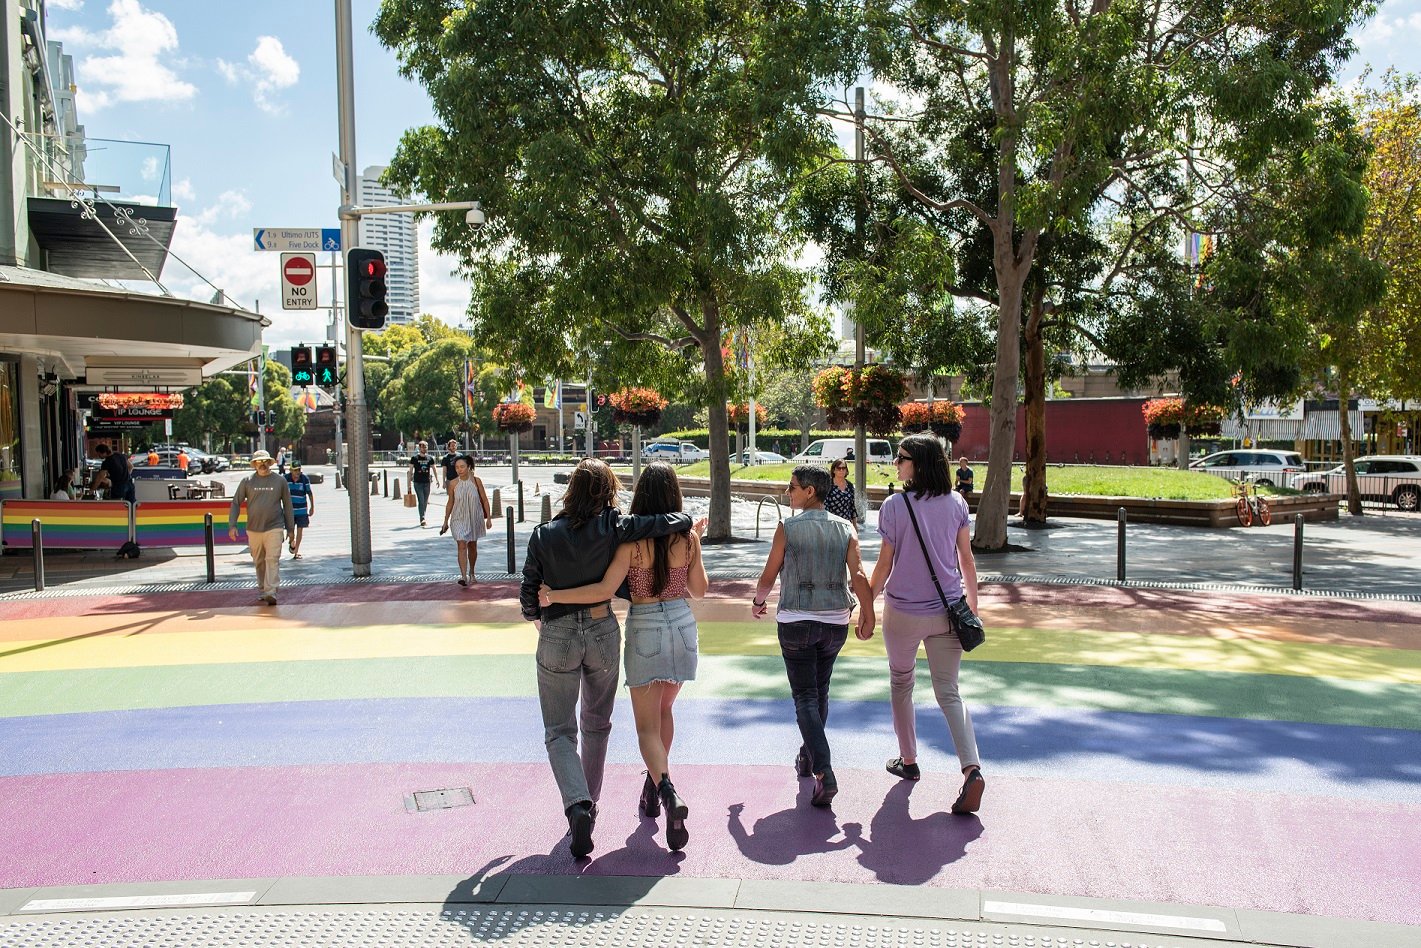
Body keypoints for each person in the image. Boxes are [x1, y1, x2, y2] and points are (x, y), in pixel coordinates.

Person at [520, 458, 692, 860]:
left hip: (558, 630)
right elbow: (658, 523)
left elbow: (529, 590)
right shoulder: (615, 527)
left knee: (559, 731)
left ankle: (577, 804)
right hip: (602, 631)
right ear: (608, 492)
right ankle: (590, 809)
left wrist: (537, 617)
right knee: (597, 725)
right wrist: (684, 518)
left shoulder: (543, 535)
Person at [869, 434, 984, 815]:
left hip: (903, 613)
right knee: (949, 692)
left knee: (902, 682)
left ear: (917, 463)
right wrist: (973, 606)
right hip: (949, 612)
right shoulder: (957, 504)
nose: (896, 464)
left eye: (901, 458)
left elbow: (884, 566)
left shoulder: (894, 506)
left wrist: (866, 605)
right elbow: (966, 561)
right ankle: (971, 770)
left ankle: (909, 760)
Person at [751, 464, 874, 808]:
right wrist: (868, 611)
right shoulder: (845, 527)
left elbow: (769, 574)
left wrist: (758, 602)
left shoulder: (787, 527)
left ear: (809, 491)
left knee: (805, 695)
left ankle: (823, 769)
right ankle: (808, 756)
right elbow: (859, 574)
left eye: (792, 487)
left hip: (796, 619)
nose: (787, 493)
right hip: (835, 619)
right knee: (820, 690)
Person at [227, 450, 295, 606]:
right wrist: (232, 525)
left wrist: (290, 530)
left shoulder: (280, 481)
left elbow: (288, 505)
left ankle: (271, 592)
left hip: (275, 527)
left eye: (265, 461)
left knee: (272, 559)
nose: (262, 464)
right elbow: (236, 502)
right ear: (254, 464)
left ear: (270, 463)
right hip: (254, 529)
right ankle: (263, 590)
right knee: (259, 561)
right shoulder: (247, 481)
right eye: (258, 462)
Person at [440, 455, 492, 585]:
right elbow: (450, 502)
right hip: (458, 518)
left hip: (474, 517)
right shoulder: (452, 484)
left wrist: (489, 518)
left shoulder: (476, 481)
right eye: (457, 467)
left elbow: (485, 500)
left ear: (469, 467)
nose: (459, 469)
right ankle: (463, 576)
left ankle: (472, 571)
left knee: (472, 546)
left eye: (462, 466)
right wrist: (445, 521)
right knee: (461, 543)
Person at [284, 459, 314, 559]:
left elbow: (309, 493)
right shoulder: (285, 479)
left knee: (300, 531)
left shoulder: (304, 479)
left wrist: (312, 507)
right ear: (291, 470)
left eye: (299, 470)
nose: (297, 472)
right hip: (289, 511)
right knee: (291, 531)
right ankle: (292, 543)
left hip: (302, 510)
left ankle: (296, 552)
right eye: (295, 470)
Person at [408, 440, 438, 527]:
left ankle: (423, 516)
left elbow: (434, 469)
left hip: (427, 482)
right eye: (423, 447)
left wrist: (437, 479)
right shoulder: (414, 458)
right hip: (417, 482)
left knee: (425, 501)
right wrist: (409, 485)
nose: (424, 448)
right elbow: (410, 472)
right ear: (419, 448)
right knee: (421, 500)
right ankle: (422, 518)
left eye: (426, 447)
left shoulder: (430, 458)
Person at [824, 458, 861, 527]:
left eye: (843, 468)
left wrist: (855, 525)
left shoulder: (849, 485)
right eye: (838, 468)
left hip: (847, 524)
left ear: (846, 470)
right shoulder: (828, 484)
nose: (841, 470)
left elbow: (852, 507)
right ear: (833, 470)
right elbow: (825, 506)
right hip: (832, 524)